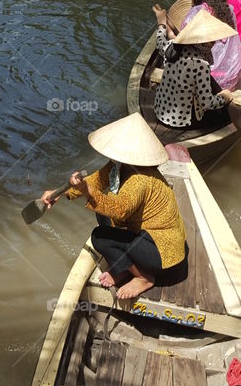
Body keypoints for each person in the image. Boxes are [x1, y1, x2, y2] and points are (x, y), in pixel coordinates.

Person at [41, 112, 189, 299]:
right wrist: (60, 193)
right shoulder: (118, 166)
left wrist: (87, 191)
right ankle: (125, 268)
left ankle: (143, 277)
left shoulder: (141, 179)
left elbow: (119, 209)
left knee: (99, 237)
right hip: (145, 236)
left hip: (162, 252)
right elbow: (96, 181)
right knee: (102, 214)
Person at [151, 5, 235, 132]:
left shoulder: (172, 47)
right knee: (226, 118)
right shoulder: (200, 64)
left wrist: (161, 23)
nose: (214, 42)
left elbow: (160, 42)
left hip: (160, 110)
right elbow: (207, 103)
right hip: (181, 121)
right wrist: (225, 97)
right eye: (211, 41)